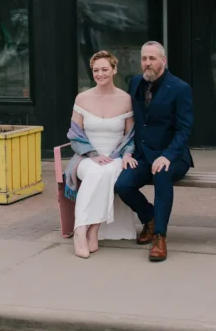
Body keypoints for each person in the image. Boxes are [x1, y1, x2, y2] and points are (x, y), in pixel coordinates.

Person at [115, 41, 194, 262]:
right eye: (144, 59)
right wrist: (127, 152)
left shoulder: (180, 88)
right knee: (123, 184)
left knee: (161, 174)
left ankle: (159, 236)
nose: (147, 63)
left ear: (163, 61)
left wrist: (168, 155)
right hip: (142, 155)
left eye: (152, 58)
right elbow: (133, 121)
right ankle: (149, 218)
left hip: (173, 156)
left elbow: (184, 129)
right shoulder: (135, 82)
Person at [65, 50, 137, 258]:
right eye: (96, 70)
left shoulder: (125, 99)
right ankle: (81, 231)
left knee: (106, 171)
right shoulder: (83, 98)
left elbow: (130, 134)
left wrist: (126, 154)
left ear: (114, 70)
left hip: (114, 156)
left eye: (105, 69)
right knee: (96, 171)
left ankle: (93, 229)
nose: (100, 74)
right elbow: (75, 134)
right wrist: (92, 154)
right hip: (86, 156)